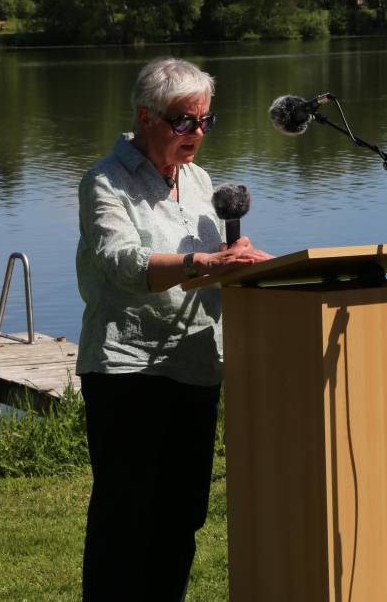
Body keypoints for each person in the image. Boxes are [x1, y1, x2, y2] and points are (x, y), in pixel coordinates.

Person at [76, 57, 271, 601]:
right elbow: (124, 264)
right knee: (125, 518)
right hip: (128, 371)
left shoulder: (200, 180)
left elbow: (214, 259)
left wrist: (241, 259)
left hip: (196, 366)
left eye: (206, 122)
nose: (198, 134)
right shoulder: (104, 183)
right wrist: (204, 266)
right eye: (186, 122)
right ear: (147, 117)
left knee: (182, 514)